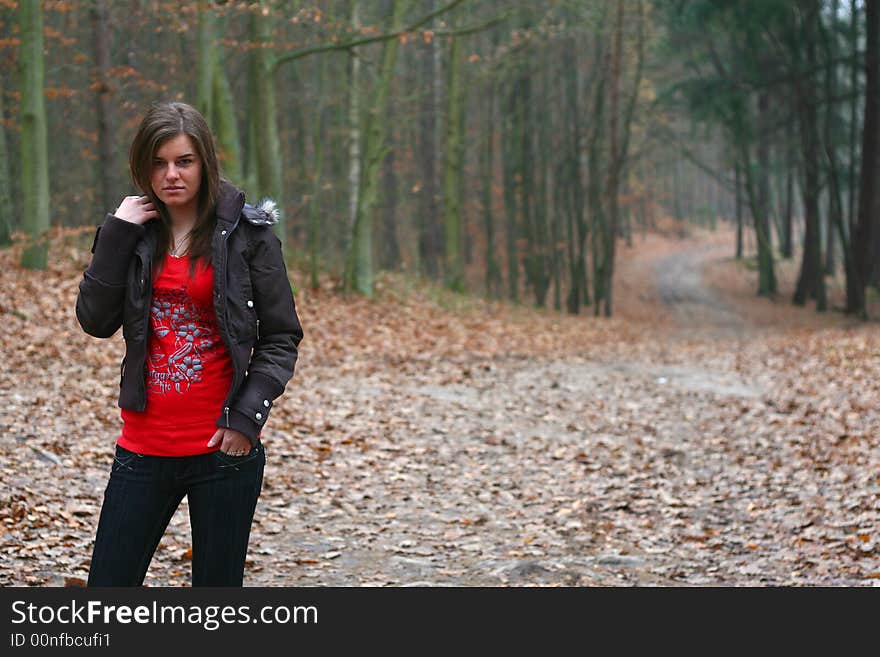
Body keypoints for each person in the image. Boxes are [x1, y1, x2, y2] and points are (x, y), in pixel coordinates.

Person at [75, 101, 303, 586]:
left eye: (184, 161)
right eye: (158, 163)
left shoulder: (249, 235)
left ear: (205, 161)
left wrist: (246, 419)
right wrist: (116, 234)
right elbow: (94, 321)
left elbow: (281, 336)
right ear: (142, 167)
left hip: (224, 452)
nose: (171, 174)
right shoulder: (132, 233)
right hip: (143, 448)